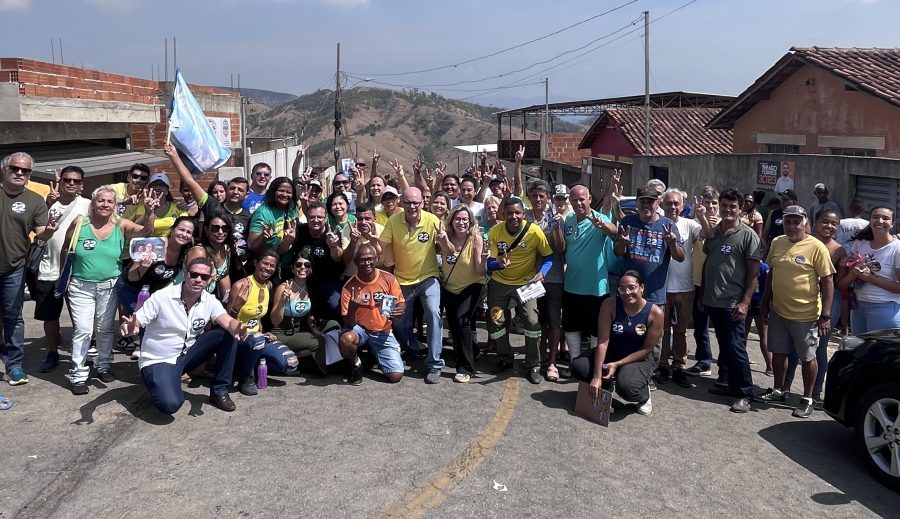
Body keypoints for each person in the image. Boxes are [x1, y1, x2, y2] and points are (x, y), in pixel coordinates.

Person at [61, 186, 159, 394]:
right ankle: (78, 374)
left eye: (110, 202)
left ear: (115, 205)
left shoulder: (119, 224)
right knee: (84, 330)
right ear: (93, 203)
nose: (105, 205)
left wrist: (149, 212)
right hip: (80, 286)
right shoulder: (80, 223)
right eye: (101, 201)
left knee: (105, 329)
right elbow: (65, 249)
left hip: (109, 285)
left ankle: (103, 366)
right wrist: (62, 276)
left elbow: (146, 233)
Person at [120, 257, 247, 414]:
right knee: (170, 405)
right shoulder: (162, 297)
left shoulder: (209, 300)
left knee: (227, 335)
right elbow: (137, 321)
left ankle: (219, 391)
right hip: (160, 359)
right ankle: (155, 380)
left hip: (186, 355)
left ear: (210, 279)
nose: (198, 280)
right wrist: (129, 327)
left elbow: (228, 322)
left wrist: (237, 327)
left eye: (204, 277)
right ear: (185, 274)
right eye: (194, 275)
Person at [758, 205, 835, 418]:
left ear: (805, 224)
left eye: (796, 222)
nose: (791, 226)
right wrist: (766, 302)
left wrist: (825, 315)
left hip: (806, 315)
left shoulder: (816, 247)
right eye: (788, 222)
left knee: (808, 357)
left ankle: (808, 398)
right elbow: (772, 273)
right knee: (779, 352)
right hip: (779, 311)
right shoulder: (777, 242)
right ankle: (779, 390)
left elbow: (828, 281)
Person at [702, 188, 762, 413]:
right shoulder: (715, 232)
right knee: (725, 345)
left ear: (740, 209)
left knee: (736, 347)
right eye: (724, 205)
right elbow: (709, 263)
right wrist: (703, 295)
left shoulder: (748, 235)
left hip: (733, 303)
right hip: (713, 300)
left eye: (732, 206)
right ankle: (728, 383)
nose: (728, 209)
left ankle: (745, 393)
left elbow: (753, 274)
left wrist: (745, 302)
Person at [572, 270, 662, 416]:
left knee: (627, 387)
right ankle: (605, 386)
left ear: (642, 288)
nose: (627, 292)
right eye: (622, 288)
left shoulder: (655, 313)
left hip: (639, 358)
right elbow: (602, 340)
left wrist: (618, 364)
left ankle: (644, 395)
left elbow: (646, 349)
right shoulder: (610, 305)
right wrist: (597, 376)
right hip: (612, 352)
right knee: (579, 367)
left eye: (632, 287)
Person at [2, 152, 58, 386]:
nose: (20, 173)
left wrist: (50, 231)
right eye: (15, 168)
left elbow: (41, 231)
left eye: (25, 171)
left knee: (13, 317)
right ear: (4, 169)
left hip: (14, 268)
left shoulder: (35, 200)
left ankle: (14, 365)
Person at [379, 187, 445, 384]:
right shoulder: (393, 221)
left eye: (416, 202)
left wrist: (443, 242)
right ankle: (413, 349)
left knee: (433, 314)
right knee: (399, 321)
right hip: (402, 280)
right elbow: (379, 247)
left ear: (422, 203)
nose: (412, 206)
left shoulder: (432, 220)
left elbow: (444, 247)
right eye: (408, 202)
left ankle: (434, 364)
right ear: (402, 203)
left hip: (428, 277)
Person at [486, 196, 553, 384]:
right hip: (500, 282)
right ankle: (505, 358)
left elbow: (548, 256)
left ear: (523, 214)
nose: (513, 216)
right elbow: (488, 263)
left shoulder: (534, 231)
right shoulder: (495, 231)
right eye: (509, 213)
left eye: (517, 212)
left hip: (526, 284)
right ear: (503, 214)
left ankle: (533, 365)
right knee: (496, 320)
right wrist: (498, 264)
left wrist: (543, 272)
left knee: (532, 322)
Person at [783, 209, 846, 408]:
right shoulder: (799, 240)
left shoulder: (838, 249)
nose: (829, 226)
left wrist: (826, 314)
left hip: (825, 301)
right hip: (798, 301)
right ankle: (784, 387)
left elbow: (836, 282)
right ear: (814, 222)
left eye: (834, 223)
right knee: (792, 347)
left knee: (819, 347)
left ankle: (816, 392)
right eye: (825, 222)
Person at [31, 166, 90, 373]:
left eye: (76, 181)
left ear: (81, 185)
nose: (71, 184)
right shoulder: (45, 204)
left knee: (79, 314)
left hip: (77, 269)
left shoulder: (88, 205)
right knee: (50, 315)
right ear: (60, 181)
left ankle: (82, 350)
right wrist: (48, 203)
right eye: (67, 180)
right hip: (50, 266)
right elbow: (35, 229)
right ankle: (52, 352)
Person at [558, 185, 617, 381]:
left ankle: (593, 365)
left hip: (596, 288)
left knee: (595, 329)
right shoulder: (568, 220)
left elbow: (613, 231)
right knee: (571, 327)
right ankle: (576, 365)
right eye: (574, 200)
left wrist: (603, 226)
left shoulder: (599, 218)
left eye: (582, 199)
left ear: (590, 199)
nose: (578, 203)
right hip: (571, 285)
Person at [116, 216, 196, 359]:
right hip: (131, 288)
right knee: (143, 320)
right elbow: (131, 277)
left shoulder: (186, 253)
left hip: (152, 292)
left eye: (188, 232)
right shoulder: (154, 245)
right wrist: (143, 267)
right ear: (172, 230)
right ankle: (146, 355)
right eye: (181, 229)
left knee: (156, 321)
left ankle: (148, 352)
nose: (184, 234)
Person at [226, 249, 299, 395]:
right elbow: (227, 322)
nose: (268, 268)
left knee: (291, 363)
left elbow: (257, 316)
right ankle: (245, 377)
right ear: (255, 263)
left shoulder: (269, 286)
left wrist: (263, 332)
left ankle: (249, 365)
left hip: (256, 337)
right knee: (257, 341)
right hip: (237, 339)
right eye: (265, 263)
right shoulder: (241, 285)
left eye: (272, 266)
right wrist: (237, 305)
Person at [658, 188, 707, 387]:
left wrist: (702, 216)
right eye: (669, 203)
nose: (673, 207)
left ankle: (678, 366)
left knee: (680, 330)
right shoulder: (658, 223)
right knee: (662, 330)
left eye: (676, 203)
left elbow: (705, 234)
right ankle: (662, 365)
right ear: (662, 204)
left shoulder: (689, 224)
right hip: (662, 287)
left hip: (685, 287)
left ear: (683, 206)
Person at [339, 244, 406, 385]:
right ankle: (355, 363)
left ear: (377, 259)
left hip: (382, 331)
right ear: (356, 262)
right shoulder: (349, 287)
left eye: (370, 259)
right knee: (346, 339)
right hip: (360, 330)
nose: (367, 263)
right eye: (362, 260)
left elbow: (400, 302)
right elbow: (349, 324)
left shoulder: (388, 279)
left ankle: (375, 355)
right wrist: (353, 307)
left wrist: (400, 309)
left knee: (396, 376)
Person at [437, 205, 487, 383]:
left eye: (465, 219)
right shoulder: (444, 238)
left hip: (473, 285)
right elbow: (449, 250)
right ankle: (473, 350)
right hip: (451, 287)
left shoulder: (476, 238)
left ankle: (466, 367)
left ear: (470, 221)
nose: (461, 222)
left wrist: (486, 259)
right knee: (453, 324)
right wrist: (443, 239)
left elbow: (480, 271)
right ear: (451, 221)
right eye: (457, 219)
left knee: (462, 321)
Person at [270, 252, 340, 376]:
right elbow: (275, 321)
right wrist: (282, 302)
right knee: (317, 341)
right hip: (282, 332)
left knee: (333, 326)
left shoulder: (309, 287)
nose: (303, 268)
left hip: (299, 330)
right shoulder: (284, 287)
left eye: (307, 265)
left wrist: (314, 329)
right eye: (298, 265)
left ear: (311, 270)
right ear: (292, 268)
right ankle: (309, 364)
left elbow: (309, 314)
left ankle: (299, 357)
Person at [614, 186, 684, 311]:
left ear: (658, 203)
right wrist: (622, 243)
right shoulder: (627, 222)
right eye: (643, 201)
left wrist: (672, 244)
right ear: (637, 202)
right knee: (627, 329)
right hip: (628, 293)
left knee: (654, 330)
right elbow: (617, 253)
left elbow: (680, 257)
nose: (646, 205)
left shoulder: (668, 225)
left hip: (654, 295)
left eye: (650, 201)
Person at [525, 180, 566, 381]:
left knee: (553, 322)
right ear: (530, 198)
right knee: (536, 321)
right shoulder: (524, 217)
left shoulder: (556, 218)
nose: (538, 199)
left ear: (547, 198)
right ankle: (539, 359)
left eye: (542, 196)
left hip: (554, 278)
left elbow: (560, 248)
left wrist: (557, 228)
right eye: (535, 196)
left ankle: (552, 362)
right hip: (530, 280)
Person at [836, 206, 900, 333]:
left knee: (880, 352)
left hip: (885, 309)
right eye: (875, 217)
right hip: (858, 307)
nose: (880, 221)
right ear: (869, 221)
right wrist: (853, 273)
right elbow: (844, 283)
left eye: (885, 218)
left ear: (892, 224)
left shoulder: (897, 249)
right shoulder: (860, 244)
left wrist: (871, 278)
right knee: (859, 351)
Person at [686, 188, 719, 377]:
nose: (710, 206)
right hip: (697, 281)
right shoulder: (695, 223)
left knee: (722, 329)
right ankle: (704, 361)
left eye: (714, 203)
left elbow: (711, 236)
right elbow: (700, 236)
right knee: (700, 326)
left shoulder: (724, 224)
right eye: (707, 202)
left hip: (716, 285)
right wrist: (697, 216)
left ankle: (725, 366)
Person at [247, 177, 299, 278]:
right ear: (273, 192)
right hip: (264, 267)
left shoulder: (292, 208)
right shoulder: (262, 213)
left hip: (287, 264)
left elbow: (281, 249)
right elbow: (251, 245)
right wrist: (263, 237)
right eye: (281, 191)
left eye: (288, 192)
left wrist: (288, 241)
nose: (284, 194)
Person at [180, 213, 233, 300]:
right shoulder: (199, 252)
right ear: (206, 230)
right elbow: (191, 282)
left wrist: (227, 302)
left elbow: (224, 277)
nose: (220, 232)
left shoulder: (226, 249)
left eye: (225, 228)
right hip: (186, 297)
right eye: (215, 228)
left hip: (205, 297)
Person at [142, 173, 189, 237]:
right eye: (154, 185)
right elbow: (143, 231)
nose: (158, 187)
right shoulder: (142, 207)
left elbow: (185, 227)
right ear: (149, 190)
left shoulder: (178, 207)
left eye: (162, 185)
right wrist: (148, 212)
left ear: (167, 191)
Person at [762, 189, 797, 253]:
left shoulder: (799, 216)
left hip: (791, 249)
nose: (782, 201)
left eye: (785, 199)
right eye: (782, 199)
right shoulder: (773, 213)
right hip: (774, 248)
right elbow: (766, 232)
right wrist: (764, 244)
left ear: (794, 202)